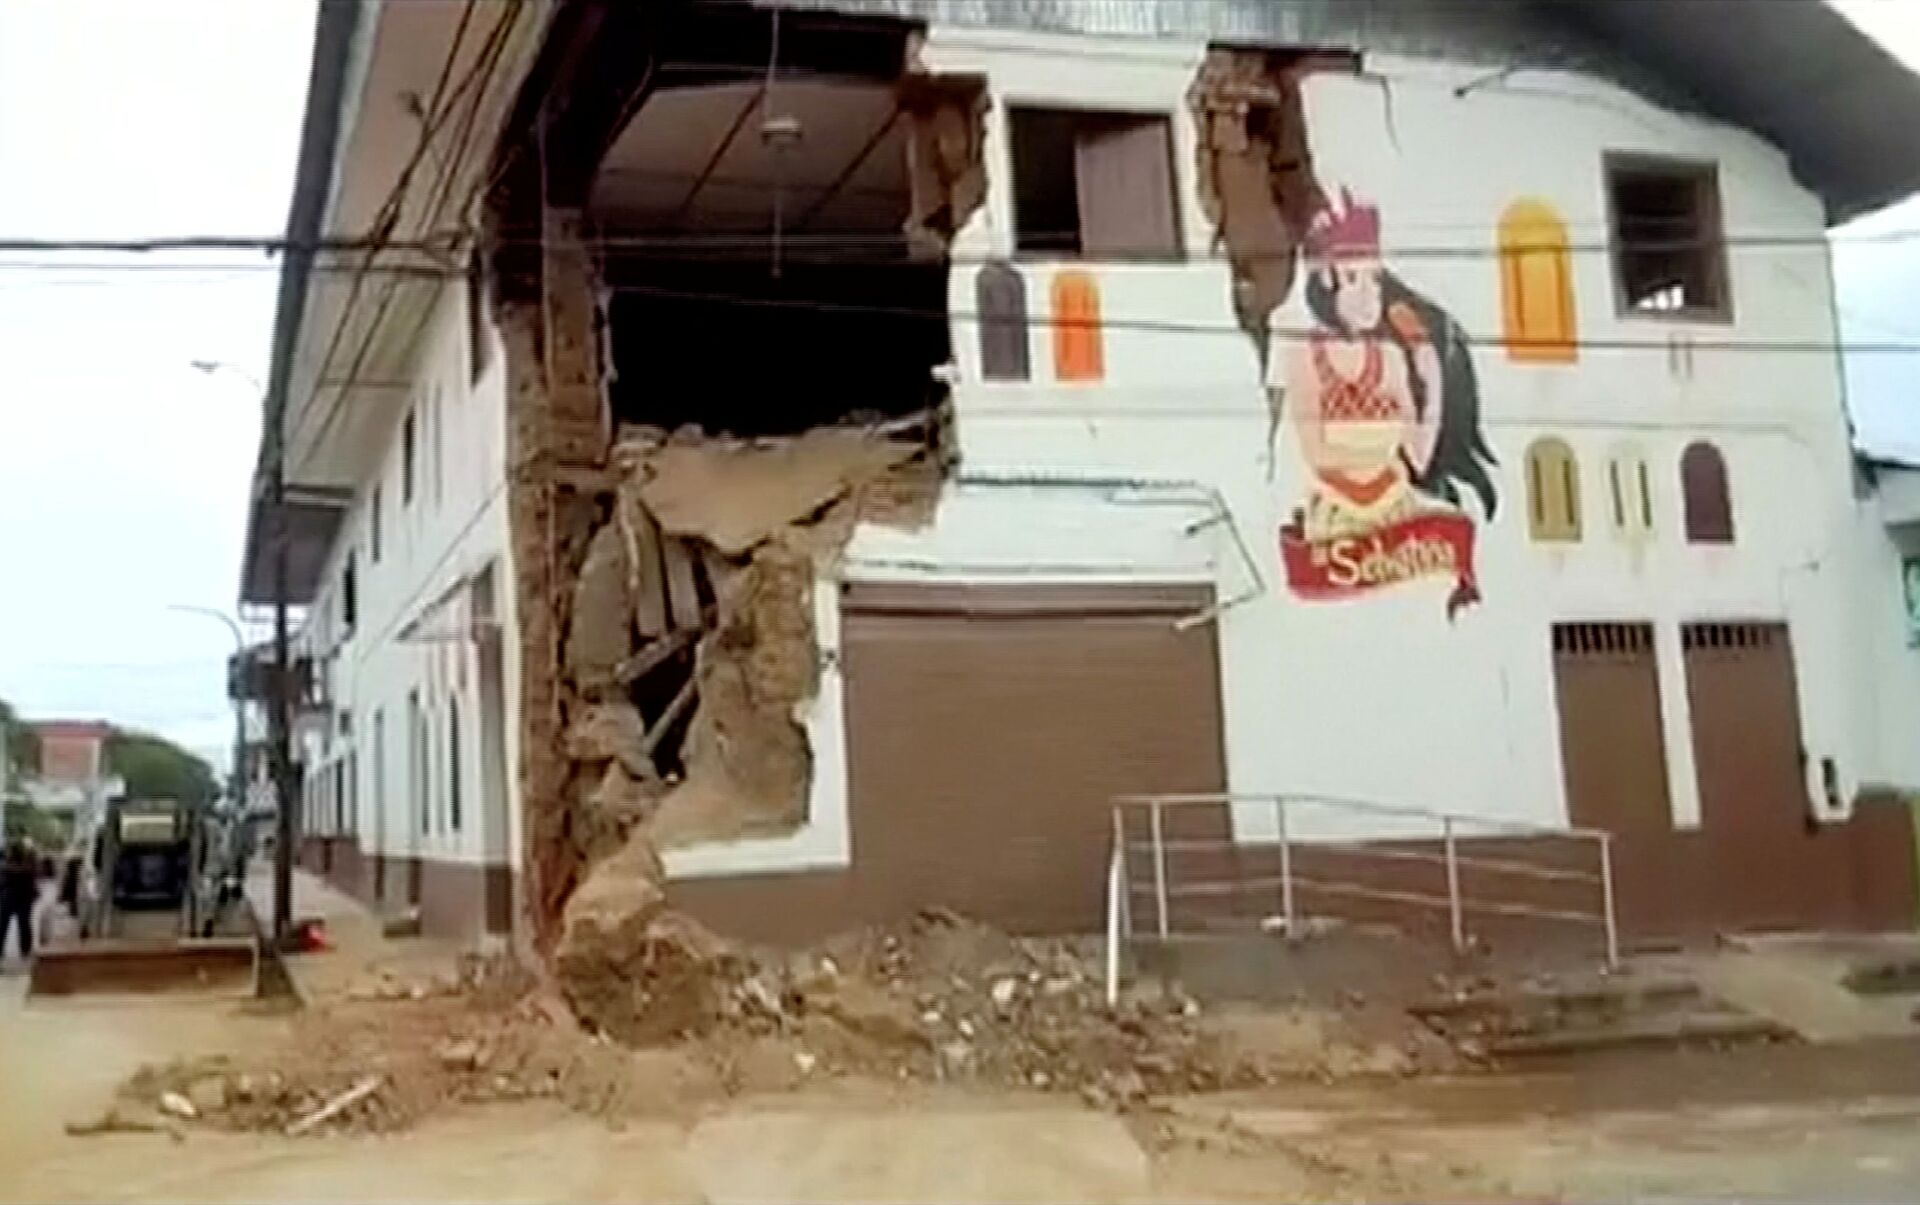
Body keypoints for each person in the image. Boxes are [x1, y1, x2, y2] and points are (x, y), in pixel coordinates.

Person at [1, 837, 43, 964]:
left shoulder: (6, 866)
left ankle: (1, 949)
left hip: (9, 897)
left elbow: (3, 882)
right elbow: (35, 875)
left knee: (3, 924)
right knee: (24, 924)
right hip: (24, 897)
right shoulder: (29, 865)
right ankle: (25, 950)